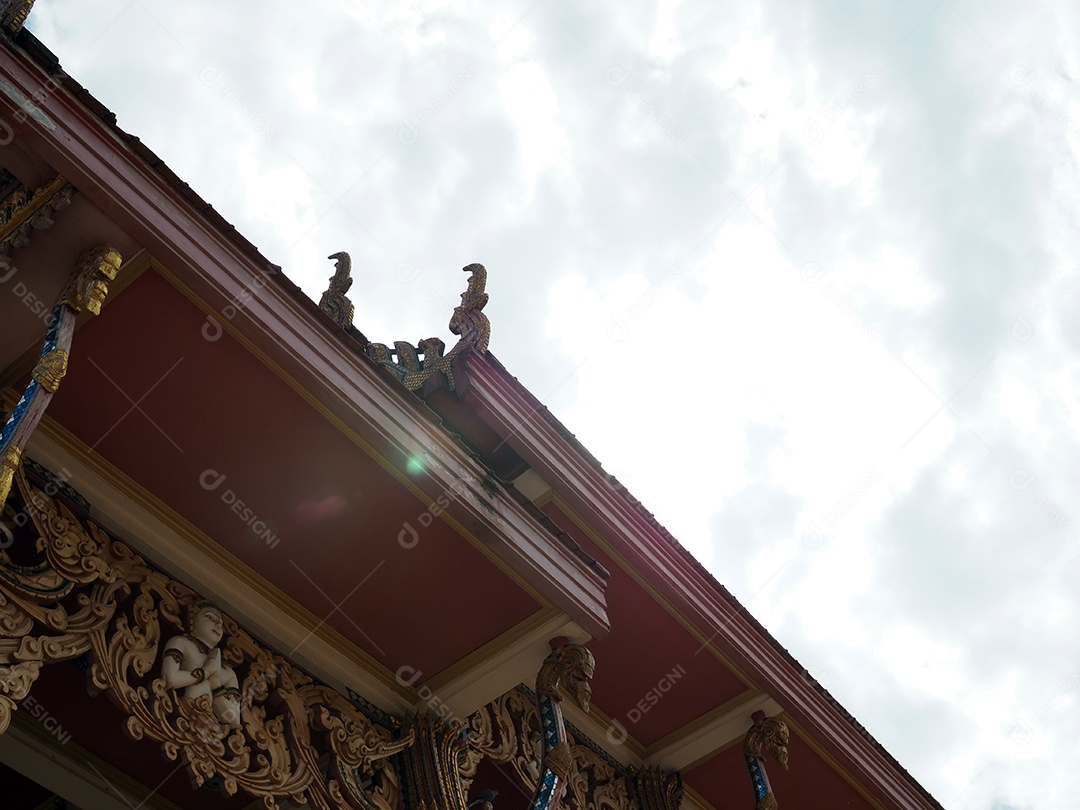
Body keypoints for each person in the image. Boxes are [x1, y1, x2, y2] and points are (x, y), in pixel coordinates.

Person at [161, 602, 242, 729]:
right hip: (181, 711)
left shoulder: (228, 672)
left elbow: (235, 719)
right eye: (210, 618)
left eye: (220, 623)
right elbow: (169, 679)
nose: (218, 625)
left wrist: (215, 684)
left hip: (210, 726)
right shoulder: (181, 643)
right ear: (194, 620)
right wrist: (205, 673)